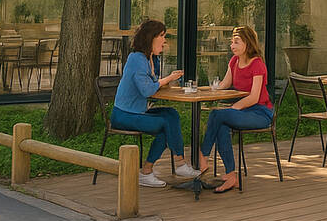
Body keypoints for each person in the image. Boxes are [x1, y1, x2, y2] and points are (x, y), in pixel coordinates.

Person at [112, 20, 201, 188]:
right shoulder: (136, 59)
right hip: (124, 115)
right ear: (150, 38)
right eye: (161, 36)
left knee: (171, 115)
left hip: (138, 111)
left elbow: (153, 86)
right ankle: (177, 164)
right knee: (164, 125)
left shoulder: (152, 59)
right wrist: (168, 79)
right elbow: (147, 90)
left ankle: (149, 171)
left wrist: (168, 82)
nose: (164, 40)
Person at [200, 25, 274, 193]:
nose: (232, 46)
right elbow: (224, 85)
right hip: (244, 111)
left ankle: (203, 156)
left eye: (236, 42)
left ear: (247, 43)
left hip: (260, 113)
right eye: (232, 42)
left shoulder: (257, 64)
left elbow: (254, 97)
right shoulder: (234, 61)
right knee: (222, 125)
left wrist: (234, 108)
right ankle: (231, 176)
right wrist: (205, 90)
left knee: (217, 115)